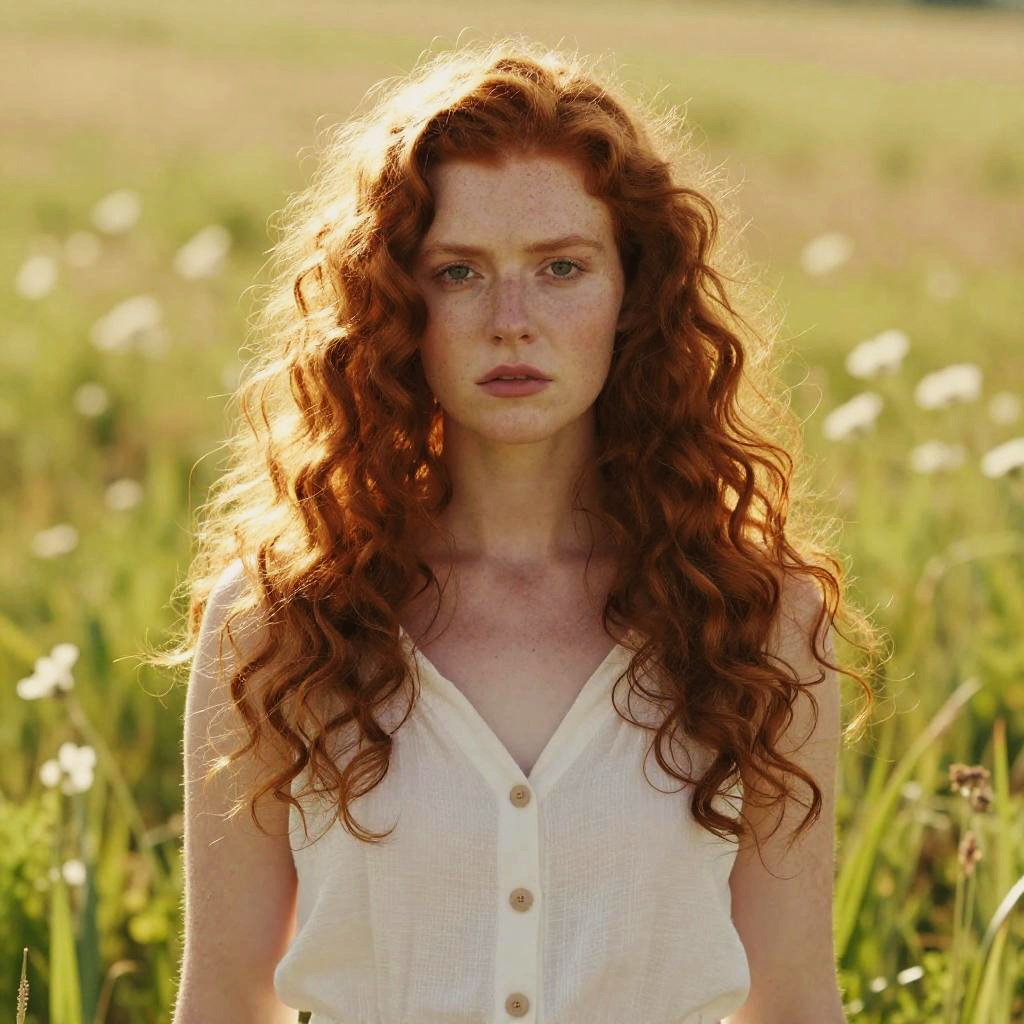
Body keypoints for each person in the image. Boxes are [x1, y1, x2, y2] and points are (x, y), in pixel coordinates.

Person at [161, 37, 880, 1024]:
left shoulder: (760, 620)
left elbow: (795, 1004)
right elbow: (223, 1006)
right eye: (458, 271)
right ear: (393, 301)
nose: (511, 319)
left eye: (560, 268)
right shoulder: (280, 621)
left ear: (634, 291)